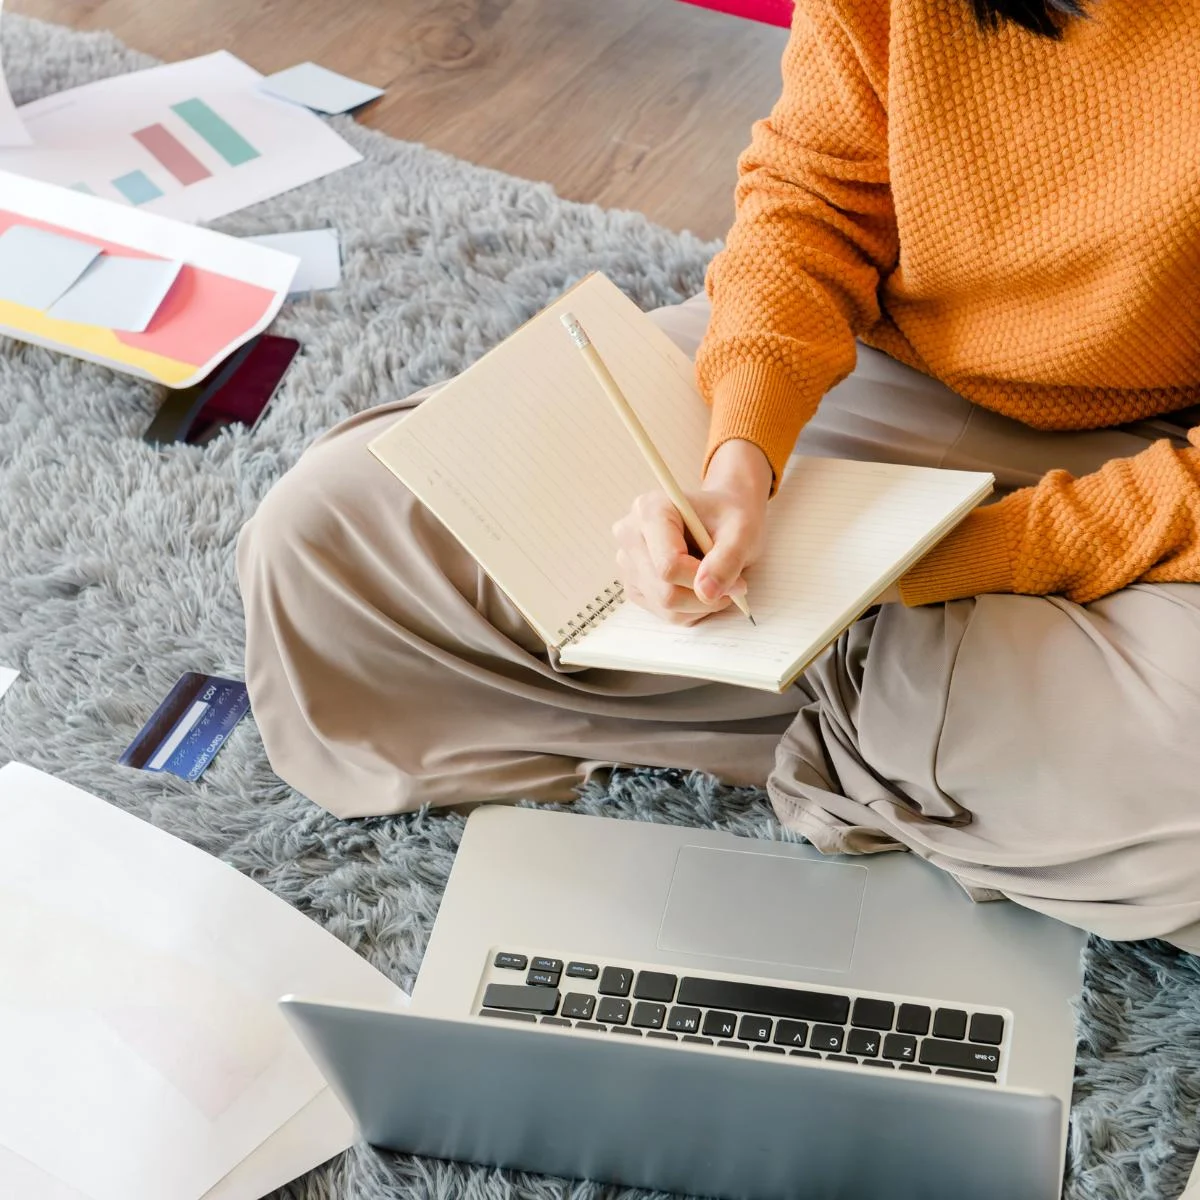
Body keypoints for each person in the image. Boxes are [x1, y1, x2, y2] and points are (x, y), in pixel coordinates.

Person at [237, 0, 1200, 952]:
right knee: (324, 541)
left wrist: (950, 557)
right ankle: (917, 712)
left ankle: (854, 680)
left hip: (1162, 457)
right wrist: (740, 454)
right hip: (878, 366)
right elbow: (814, 197)